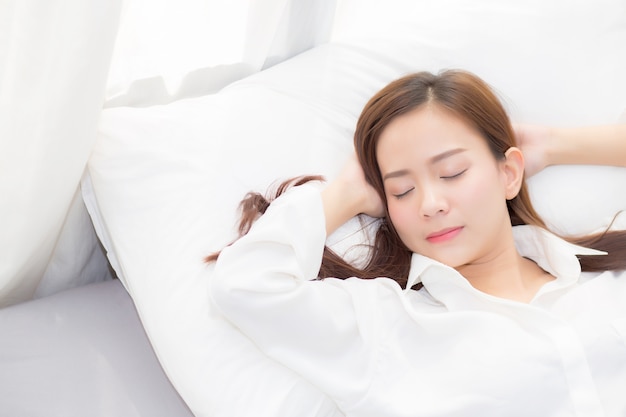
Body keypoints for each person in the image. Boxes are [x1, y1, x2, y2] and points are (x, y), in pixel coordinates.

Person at [208, 69, 626, 417]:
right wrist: (347, 192)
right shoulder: (385, 327)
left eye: (452, 172)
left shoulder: (607, 279)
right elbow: (244, 285)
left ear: (509, 173)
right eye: (402, 191)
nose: (430, 204)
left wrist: (552, 145)